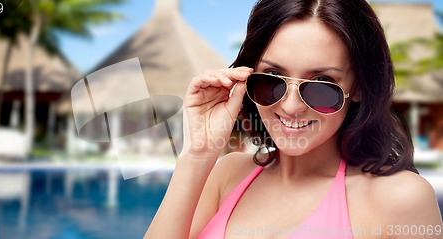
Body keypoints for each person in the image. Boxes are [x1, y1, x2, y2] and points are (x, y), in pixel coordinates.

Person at [144, 0, 443, 238]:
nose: (290, 106)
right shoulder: (227, 175)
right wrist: (196, 155)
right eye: (273, 77)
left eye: (322, 83)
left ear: (359, 87)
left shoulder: (400, 200)